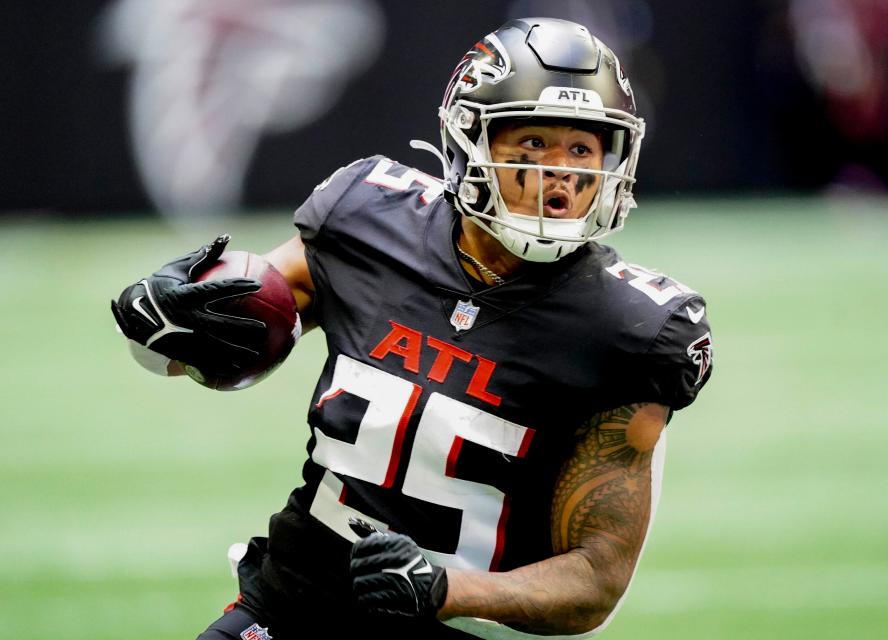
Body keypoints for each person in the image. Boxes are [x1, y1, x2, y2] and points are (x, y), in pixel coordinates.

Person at [111, 17, 713, 640]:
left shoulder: (631, 328)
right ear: (469, 140)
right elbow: (239, 331)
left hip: (464, 627)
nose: (559, 172)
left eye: (582, 149)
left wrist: (445, 589)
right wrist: (160, 322)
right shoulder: (369, 219)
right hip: (296, 597)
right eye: (532, 142)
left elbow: (595, 582)